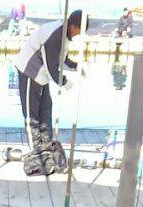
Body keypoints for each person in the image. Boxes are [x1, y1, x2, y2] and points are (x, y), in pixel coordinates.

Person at [15, 10, 89, 176]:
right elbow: (51, 64)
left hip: (42, 76)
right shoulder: (56, 33)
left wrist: (75, 65)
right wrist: (64, 81)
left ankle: (46, 146)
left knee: (46, 109)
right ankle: (36, 153)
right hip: (29, 71)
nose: (80, 35)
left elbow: (60, 57)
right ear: (73, 26)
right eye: (80, 31)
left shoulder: (65, 34)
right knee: (32, 114)